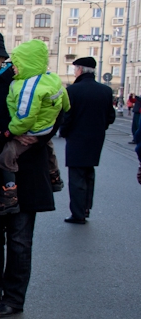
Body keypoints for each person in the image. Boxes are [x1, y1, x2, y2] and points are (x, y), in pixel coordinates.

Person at [0, 33, 57, 318]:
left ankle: (14, 298)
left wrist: (34, 136)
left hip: (26, 172)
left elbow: (53, 114)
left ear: (3, 58)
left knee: (20, 240)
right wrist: (4, 131)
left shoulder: (23, 78)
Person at [0, 39, 69, 214]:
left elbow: (25, 116)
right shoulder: (50, 79)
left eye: (16, 64)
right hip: (43, 129)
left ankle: (10, 195)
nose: (14, 68)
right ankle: (55, 176)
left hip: (27, 132)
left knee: (5, 159)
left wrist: (11, 131)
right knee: (49, 149)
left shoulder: (28, 86)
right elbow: (64, 101)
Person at [59, 57, 115, 224]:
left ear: (80, 70)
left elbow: (67, 116)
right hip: (96, 138)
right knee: (89, 173)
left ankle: (78, 213)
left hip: (77, 138)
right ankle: (85, 208)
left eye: (75, 69)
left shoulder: (73, 90)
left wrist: (64, 132)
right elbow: (110, 117)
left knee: (76, 177)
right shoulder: (105, 90)